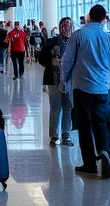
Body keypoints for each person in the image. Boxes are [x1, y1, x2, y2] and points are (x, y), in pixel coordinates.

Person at [61, 5, 110, 179]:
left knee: (84, 126)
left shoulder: (78, 35)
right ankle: (104, 152)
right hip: (102, 88)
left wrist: (63, 81)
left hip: (82, 87)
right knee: (100, 122)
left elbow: (67, 60)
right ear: (104, 19)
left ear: (88, 17)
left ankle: (89, 163)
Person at [37, 17, 74, 148]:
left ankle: (66, 133)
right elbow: (40, 58)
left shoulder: (75, 42)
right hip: (53, 79)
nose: (66, 28)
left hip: (71, 80)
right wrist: (51, 61)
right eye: (63, 25)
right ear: (59, 27)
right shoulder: (51, 42)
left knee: (68, 107)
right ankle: (54, 135)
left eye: (69, 25)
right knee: (56, 107)